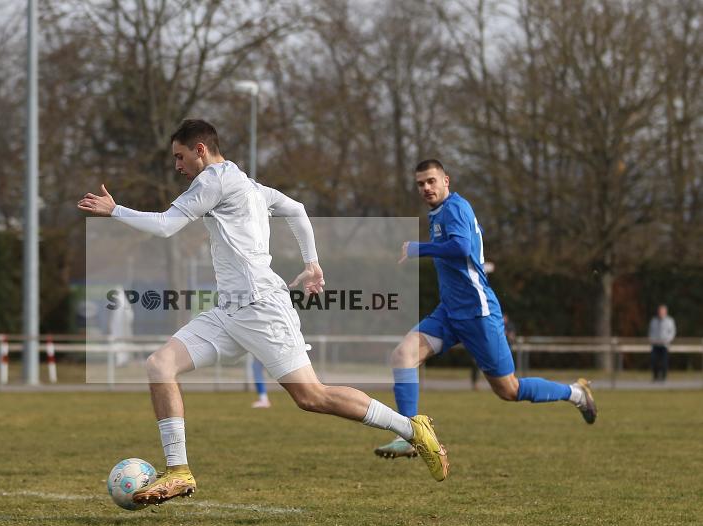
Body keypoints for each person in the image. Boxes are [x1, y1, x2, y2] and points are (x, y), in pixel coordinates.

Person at [78, 119, 449, 504]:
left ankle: (411, 428)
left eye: (180, 156)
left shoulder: (213, 181)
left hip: (262, 308)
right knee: (159, 364)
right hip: (228, 312)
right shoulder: (251, 186)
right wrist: (312, 263)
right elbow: (298, 210)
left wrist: (115, 209)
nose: (178, 166)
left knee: (311, 397)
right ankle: (178, 471)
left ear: (200, 150)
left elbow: (167, 225)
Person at [374, 159, 597, 460]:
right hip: (450, 312)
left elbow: (462, 248)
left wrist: (419, 248)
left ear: (446, 181)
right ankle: (411, 435)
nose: (426, 187)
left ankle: (576, 393)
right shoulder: (438, 213)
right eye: (420, 183)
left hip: (477, 313)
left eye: (431, 181)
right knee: (403, 355)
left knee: (509, 390)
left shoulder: (454, 208)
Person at [648, 304, 676, 382]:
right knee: (654, 360)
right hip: (655, 344)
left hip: (665, 344)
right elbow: (651, 332)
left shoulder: (670, 321)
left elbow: (672, 332)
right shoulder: (654, 320)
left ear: (665, 312)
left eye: (662, 311)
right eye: (660, 311)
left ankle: (663, 377)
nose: (661, 312)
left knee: (664, 362)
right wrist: (652, 339)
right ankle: (655, 377)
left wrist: (668, 340)